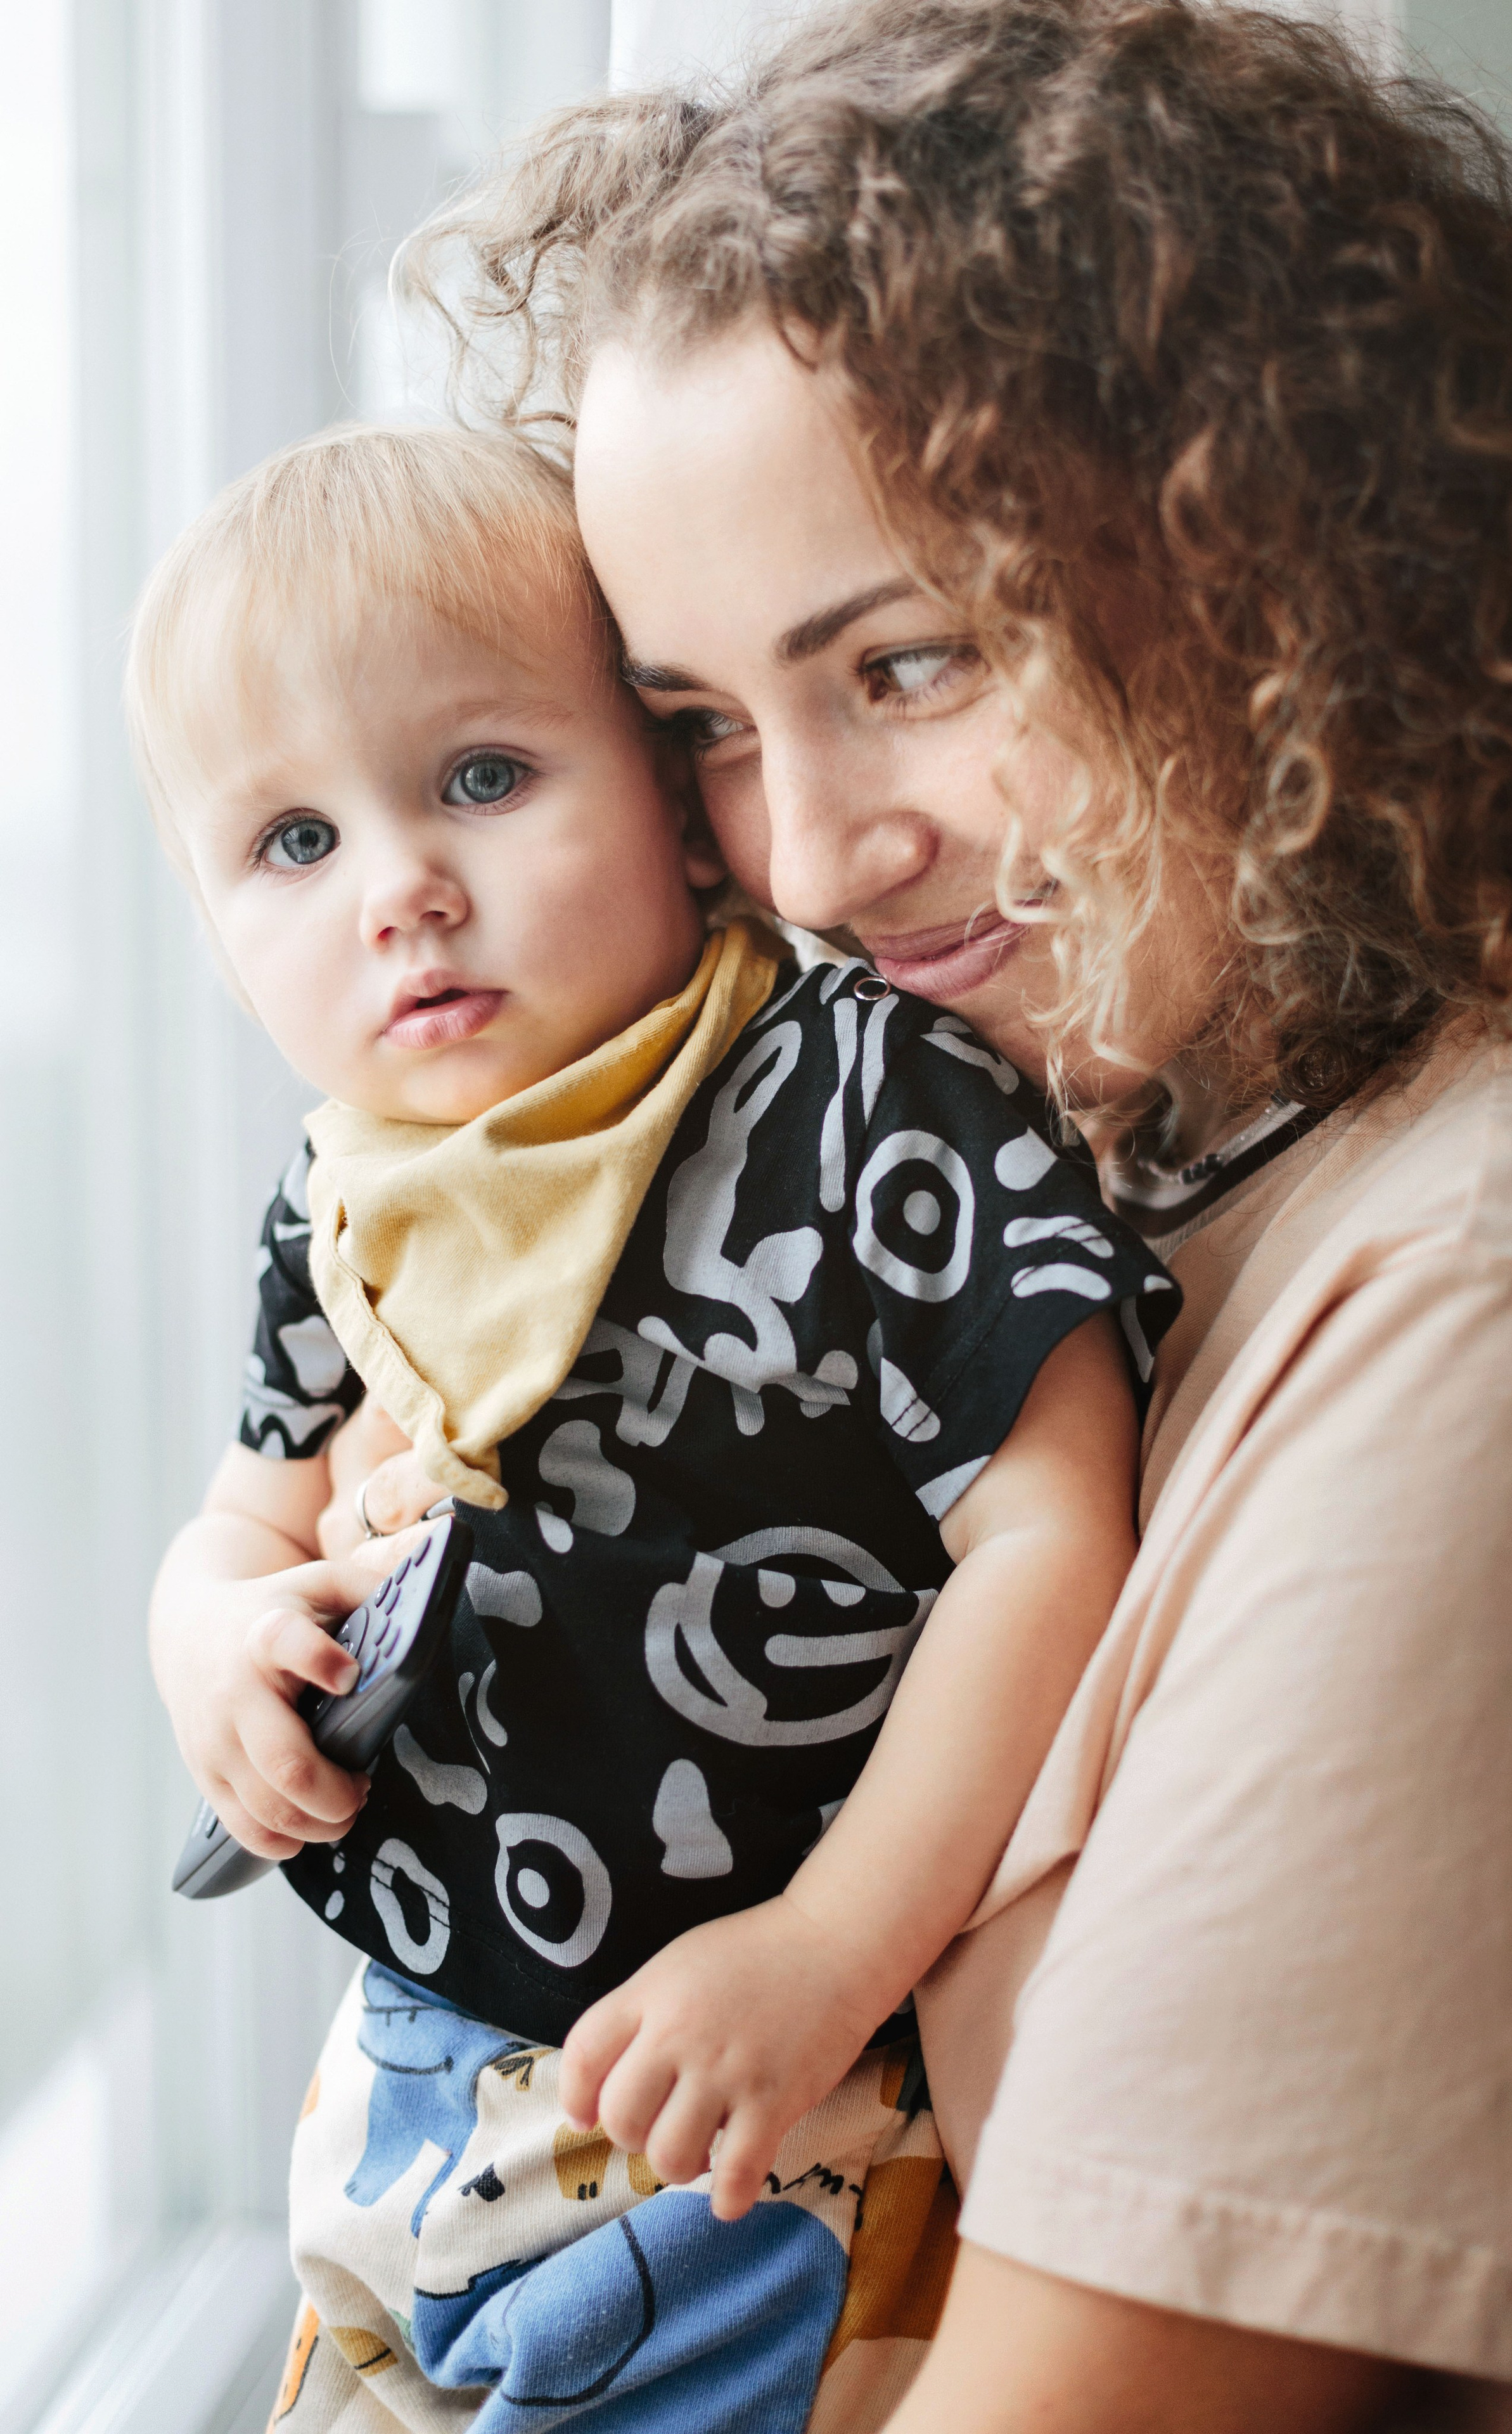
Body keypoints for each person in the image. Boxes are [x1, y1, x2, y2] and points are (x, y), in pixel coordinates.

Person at [316, 0, 1512, 2425]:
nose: (807, 861)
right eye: (700, 720)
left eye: (905, 664)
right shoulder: (1093, 1141)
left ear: (1283, 571)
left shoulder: (1494, 1286)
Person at [131, 420, 1178, 2431]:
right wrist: (207, 1637)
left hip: (752, 2104)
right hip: (405, 2080)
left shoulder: (865, 1098)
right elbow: (238, 1519)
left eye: (484, 779)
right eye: (293, 843)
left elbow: (1055, 1540)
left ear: (684, 806)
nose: (403, 892)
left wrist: (830, 1948)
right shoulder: (349, 1187)